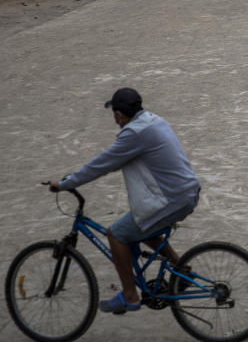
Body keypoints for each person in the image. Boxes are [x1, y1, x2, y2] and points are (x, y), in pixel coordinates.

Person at [48, 88, 200, 314]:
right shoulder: (153, 121)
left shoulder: (134, 134)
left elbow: (102, 164)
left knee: (117, 234)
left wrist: (65, 184)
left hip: (171, 199)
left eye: (114, 115)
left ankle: (129, 296)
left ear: (119, 114)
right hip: (185, 192)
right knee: (142, 225)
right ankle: (181, 269)